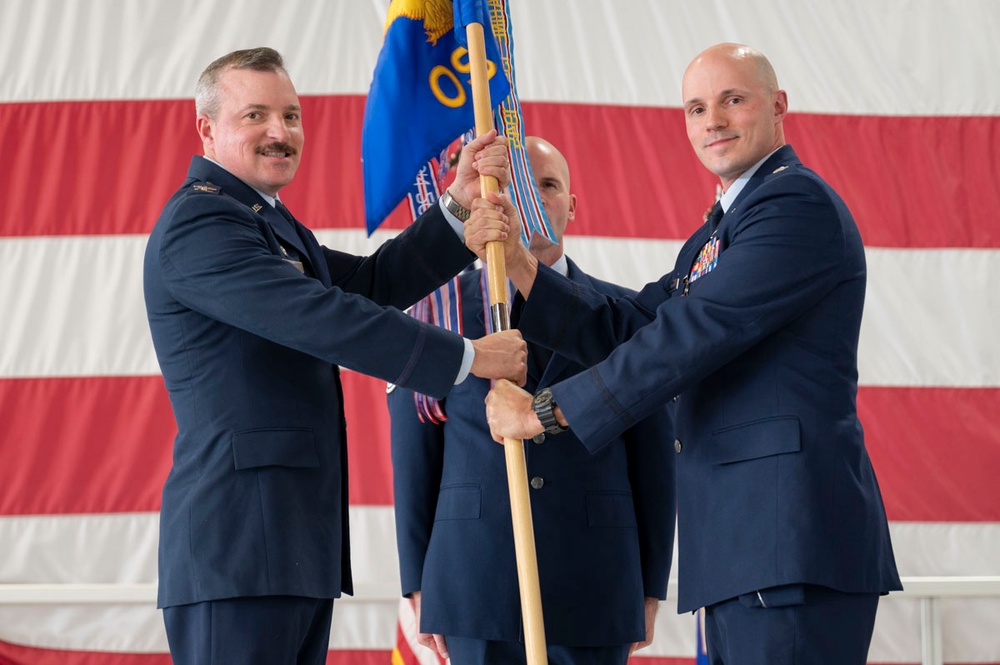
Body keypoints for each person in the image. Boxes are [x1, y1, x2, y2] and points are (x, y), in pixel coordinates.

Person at [472, 43, 902, 664]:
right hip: (745, 547)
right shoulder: (723, 226)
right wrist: (516, 260)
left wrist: (543, 411)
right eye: (696, 108)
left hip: (788, 541)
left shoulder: (794, 206)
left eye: (733, 100)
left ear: (778, 106)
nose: (713, 121)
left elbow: (688, 337)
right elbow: (634, 323)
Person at [142, 47, 527, 665]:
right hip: (237, 552)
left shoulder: (267, 224)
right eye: (256, 116)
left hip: (289, 550)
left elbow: (370, 284)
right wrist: (468, 357)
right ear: (207, 129)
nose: (280, 132)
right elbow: (322, 318)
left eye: (291, 116)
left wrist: (455, 207)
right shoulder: (202, 224)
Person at [388, 137, 676, 665]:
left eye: (550, 185)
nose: (536, 198)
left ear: (573, 204)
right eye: (521, 184)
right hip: (471, 580)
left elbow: (654, 458)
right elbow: (415, 454)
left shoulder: (626, 315)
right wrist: (418, 583)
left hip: (594, 578)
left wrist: (651, 583)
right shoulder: (440, 312)